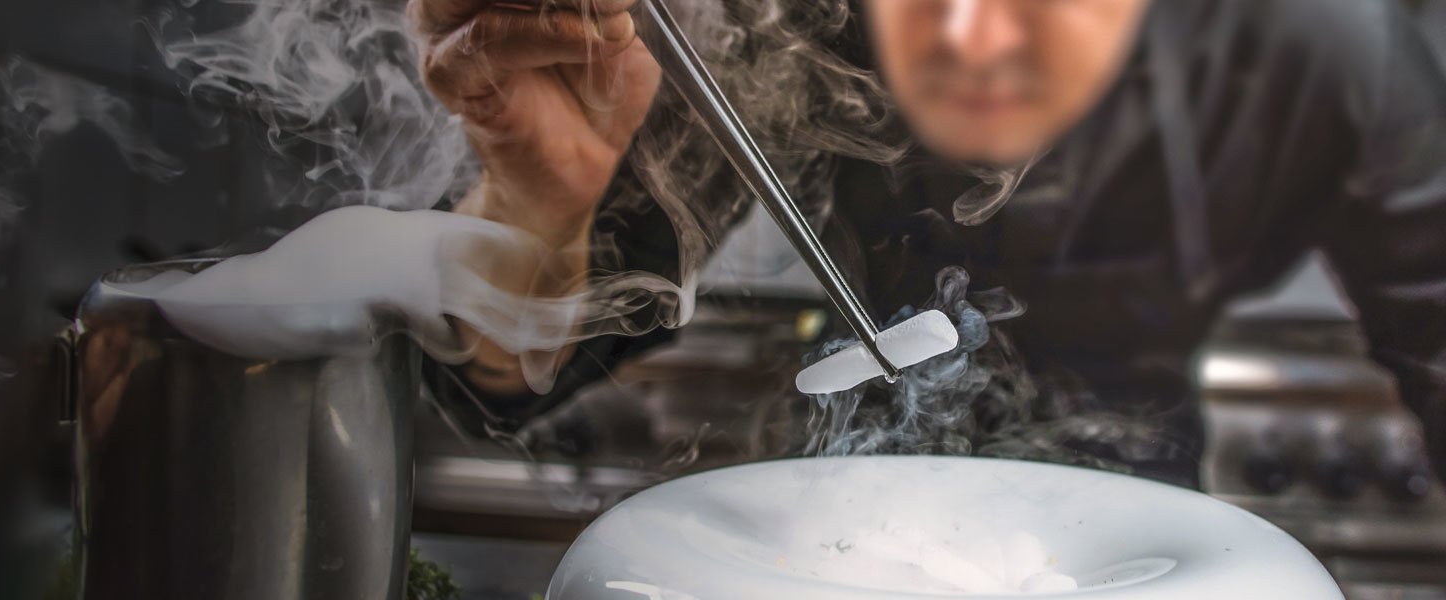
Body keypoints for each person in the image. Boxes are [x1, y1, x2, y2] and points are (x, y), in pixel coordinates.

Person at [408, 0, 1446, 488]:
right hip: (836, 509)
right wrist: (536, 205)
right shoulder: (780, 29)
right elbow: (505, 374)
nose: (970, 35)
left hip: (1145, 532)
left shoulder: (1325, 43)